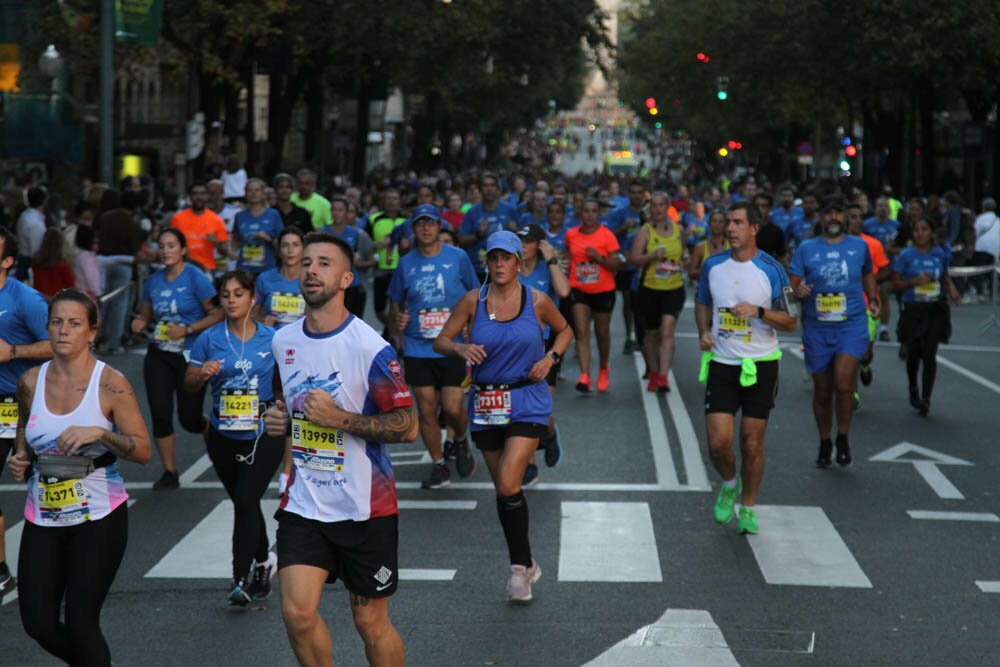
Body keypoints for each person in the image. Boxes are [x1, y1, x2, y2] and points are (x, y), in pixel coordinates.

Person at [263, 232, 417, 667]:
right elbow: (286, 404)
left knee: (370, 623)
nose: (311, 269)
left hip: (365, 507)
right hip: (305, 503)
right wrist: (279, 420)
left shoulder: (370, 347)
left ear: (347, 278)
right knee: (296, 612)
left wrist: (340, 420)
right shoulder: (284, 341)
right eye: (307, 262)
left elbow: (408, 427)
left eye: (325, 263)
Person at [8, 288, 151, 666]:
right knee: (37, 622)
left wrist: (101, 433)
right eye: (56, 322)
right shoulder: (30, 381)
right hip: (44, 513)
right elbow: (26, 425)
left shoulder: (112, 384)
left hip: (99, 516)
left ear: (92, 332)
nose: (63, 331)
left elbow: (142, 450)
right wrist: (23, 455)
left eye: (74, 323)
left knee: (82, 622)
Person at [433, 230, 572, 603]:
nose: (499, 264)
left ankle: (517, 570)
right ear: (487, 262)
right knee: (504, 489)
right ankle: (525, 562)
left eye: (506, 258)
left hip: (527, 397)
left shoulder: (537, 300)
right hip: (487, 403)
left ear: (517, 262)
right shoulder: (471, 302)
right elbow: (440, 341)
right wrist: (461, 346)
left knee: (510, 482)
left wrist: (549, 359)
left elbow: (564, 330)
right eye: (493, 258)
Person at [696, 201, 796, 535]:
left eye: (738, 223)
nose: (730, 229)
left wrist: (760, 312)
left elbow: (791, 321)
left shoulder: (772, 270)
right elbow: (702, 302)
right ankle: (729, 483)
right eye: (728, 223)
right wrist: (704, 332)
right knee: (718, 444)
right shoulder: (713, 266)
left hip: (761, 365)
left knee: (751, 444)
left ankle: (749, 505)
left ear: (754, 228)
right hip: (723, 363)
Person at [185, 270, 283, 605]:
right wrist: (201, 374)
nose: (231, 300)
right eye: (225, 295)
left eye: (238, 294)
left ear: (252, 298)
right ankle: (263, 560)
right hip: (222, 434)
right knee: (246, 501)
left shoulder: (272, 339)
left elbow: (287, 385)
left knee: (244, 501)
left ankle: (239, 577)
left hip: (261, 432)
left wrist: (281, 412)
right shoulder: (208, 339)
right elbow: (189, 385)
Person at [387, 204, 479, 489]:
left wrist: (471, 328)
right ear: (413, 229)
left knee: (452, 408)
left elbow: (476, 294)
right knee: (426, 409)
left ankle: (460, 439)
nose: (426, 228)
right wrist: (398, 319)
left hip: (452, 346)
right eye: (420, 224)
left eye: (431, 223)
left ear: (440, 227)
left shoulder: (458, 257)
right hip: (417, 347)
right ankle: (439, 466)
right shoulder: (406, 263)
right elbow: (395, 301)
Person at [789, 198, 879, 468]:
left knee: (843, 384)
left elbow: (868, 275)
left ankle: (843, 437)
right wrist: (798, 291)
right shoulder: (806, 248)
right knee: (823, 391)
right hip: (817, 327)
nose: (833, 217)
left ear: (845, 217)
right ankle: (825, 440)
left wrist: (873, 299)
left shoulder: (859, 246)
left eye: (838, 212)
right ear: (821, 217)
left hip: (851, 324)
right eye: (828, 213)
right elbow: (792, 284)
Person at [131, 229, 222, 490]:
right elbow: (145, 315)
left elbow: (217, 313)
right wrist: (139, 322)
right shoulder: (153, 281)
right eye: (162, 246)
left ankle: (205, 427)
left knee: (188, 419)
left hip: (190, 354)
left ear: (183, 250)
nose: (166, 250)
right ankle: (170, 471)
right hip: (159, 353)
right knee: (160, 413)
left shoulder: (196, 277)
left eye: (171, 245)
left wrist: (189, 329)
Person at [0, 226, 52, 601]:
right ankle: (2, 569)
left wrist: (14, 353)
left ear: (7, 261)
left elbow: (58, 343)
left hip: (16, 403)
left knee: (36, 481)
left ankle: (54, 561)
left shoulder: (25, 300)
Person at [515, 224, 570, 486]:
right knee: (521, 407)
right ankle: (529, 463)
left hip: (545, 346)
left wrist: (552, 260)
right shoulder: (509, 267)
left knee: (541, 407)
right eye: (520, 241)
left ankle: (549, 434)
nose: (523, 246)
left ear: (539, 245)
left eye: (528, 241)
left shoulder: (547, 268)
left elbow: (564, 292)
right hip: (514, 346)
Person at [892, 218, 960, 415]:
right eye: (917, 230)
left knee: (929, 353)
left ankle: (926, 398)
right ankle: (913, 387)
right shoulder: (906, 255)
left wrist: (953, 290)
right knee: (913, 352)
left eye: (924, 229)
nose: (920, 233)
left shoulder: (939, 254)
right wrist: (915, 281)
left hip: (935, 308)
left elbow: (944, 276)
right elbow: (895, 284)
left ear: (931, 232)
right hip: (913, 308)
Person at [629, 193, 686, 393]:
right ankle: (653, 372)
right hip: (650, 289)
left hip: (674, 288)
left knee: (667, 331)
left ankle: (663, 376)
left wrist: (682, 262)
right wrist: (652, 255)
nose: (658, 209)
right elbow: (634, 259)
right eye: (654, 205)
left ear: (668, 207)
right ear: (650, 208)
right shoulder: (645, 231)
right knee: (652, 334)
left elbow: (684, 253)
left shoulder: (678, 229)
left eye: (662, 205)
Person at [565, 199, 622, 392]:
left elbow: (617, 265)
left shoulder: (607, 236)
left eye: (593, 211)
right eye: (586, 211)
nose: (589, 215)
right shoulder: (571, 234)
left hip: (603, 290)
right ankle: (584, 376)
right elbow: (567, 257)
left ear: (599, 214)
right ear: (581, 214)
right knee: (581, 331)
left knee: (602, 333)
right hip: (579, 289)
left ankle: (604, 368)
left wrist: (598, 258)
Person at [95, 188, 148, 354]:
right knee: (119, 304)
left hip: (102, 262)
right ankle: (114, 341)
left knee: (103, 301)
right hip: (124, 263)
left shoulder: (105, 218)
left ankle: (98, 338)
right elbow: (136, 246)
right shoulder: (132, 223)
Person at [846, 202, 889, 397]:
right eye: (851, 217)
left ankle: (865, 366)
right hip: (846, 307)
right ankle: (852, 395)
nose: (856, 221)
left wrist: (868, 279)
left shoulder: (872, 244)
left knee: (865, 354)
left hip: (868, 305)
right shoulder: (837, 244)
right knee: (850, 353)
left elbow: (886, 269)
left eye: (858, 217)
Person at [605, 181, 646, 353]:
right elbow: (607, 236)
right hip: (625, 265)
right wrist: (623, 228)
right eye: (633, 192)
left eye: (639, 192)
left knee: (642, 303)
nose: (636, 195)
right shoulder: (620, 213)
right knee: (629, 301)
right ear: (629, 195)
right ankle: (630, 336)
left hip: (644, 265)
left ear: (644, 194)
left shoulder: (649, 214)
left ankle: (641, 336)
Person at [459, 172, 520, 283]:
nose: (489, 189)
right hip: (478, 271)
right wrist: (478, 235)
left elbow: (522, 241)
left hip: (505, 269)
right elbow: (461, 241)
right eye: (485, 186)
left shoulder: (510, 210)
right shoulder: (472, 212)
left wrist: (515, 231)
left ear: (498, 189)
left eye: (492, 185)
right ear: (480, 190)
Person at [370, 189, 408, 338]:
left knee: (396, 307)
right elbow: (365, 243)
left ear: (400, 201)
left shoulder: (405, 221)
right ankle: (390, 330)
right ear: (383, 201)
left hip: (400, 269)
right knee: (379, 310)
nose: (392, 201)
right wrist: (376, 244)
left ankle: (393, 338)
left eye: (395, 198)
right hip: (381, 268)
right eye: (389, 198)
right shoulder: (374, 219)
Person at [169, 181, 229, 276]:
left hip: (207, 269)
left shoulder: (216, 220)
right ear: (190, 197)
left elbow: (225, 252)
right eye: (195, 194)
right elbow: (170, 245)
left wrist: (216, 242)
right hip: (182, 269)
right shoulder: (178, 218)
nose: (199, 197)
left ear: (207, 196)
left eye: (202, 194)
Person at [325, 197, 370, 318]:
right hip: (331, 283)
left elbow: (356, 255)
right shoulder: (323, 233)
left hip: (351, 284)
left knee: (351, 320)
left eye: (340, 210)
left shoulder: (354, 233)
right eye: (334, 210)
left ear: (346, 212)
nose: (337, 213)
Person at [256, 226, 307, 329]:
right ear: (279, 250)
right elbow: (252, 314)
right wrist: (263, 322)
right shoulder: (264, 279)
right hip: (271, 339)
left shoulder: (311, 280)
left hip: (303, 341)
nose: (290, 250)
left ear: (304, 250)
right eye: (285, 245)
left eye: (296, 245)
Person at [233, 178, 284, 275]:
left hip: (267, 269)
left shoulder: (274, 215)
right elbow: (235, 239)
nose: (253, 193)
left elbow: (282, 245)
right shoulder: (239, 216)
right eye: (250, 190)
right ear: (245, 193)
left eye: (257, 190)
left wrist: (268, 239)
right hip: (244, 269)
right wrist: (232, 252)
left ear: (263, 193)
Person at [31, 228, 76, 298]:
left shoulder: (36, 261)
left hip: (40, 299)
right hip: (58, 302)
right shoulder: (63, 265)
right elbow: (71, 286)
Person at [970, 197, 999, 302]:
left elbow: (975, 231)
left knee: (980, 269)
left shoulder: (981, 218)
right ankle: (993, 292)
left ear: (984, 207)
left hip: (982, 246)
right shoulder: (997, 219)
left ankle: (980, 292)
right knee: (992, 270)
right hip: (995, 248)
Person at [688, 210, 730, 282]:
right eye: (714, 221)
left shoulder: (732, 246)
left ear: (725, 225)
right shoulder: (700, 247)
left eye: (720, 222)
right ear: (709, 224)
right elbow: (691, 273)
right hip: (706, 291)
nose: (717, 224)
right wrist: (709, 272)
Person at [16, 187, 47, 282]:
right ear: (44, 201)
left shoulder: (24, 215)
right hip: (29, 263)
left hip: (24, 260)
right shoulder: (34, 222)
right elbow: (36, 250)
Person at [73, 224, 103, 301]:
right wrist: (97, 293)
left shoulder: (80, 255)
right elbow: (90, 277)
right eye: (96, 242)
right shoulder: (87, 257)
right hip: (89, 295)